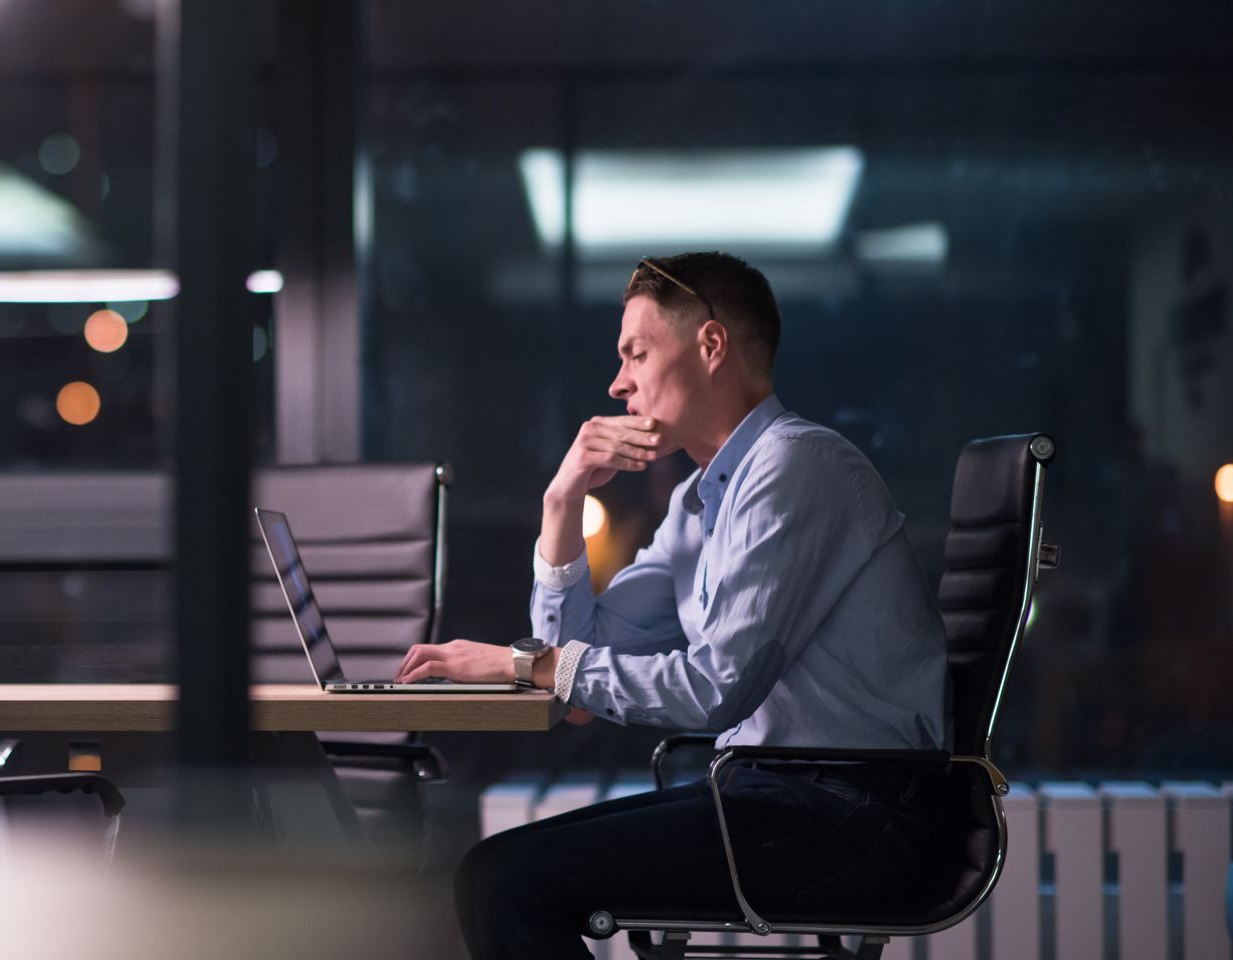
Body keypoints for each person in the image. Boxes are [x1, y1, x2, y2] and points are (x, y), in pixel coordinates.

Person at [393, 252, 951, 958]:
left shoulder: (796, 467)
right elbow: (575, 670)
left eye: (637, 353)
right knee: (487, 874)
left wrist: (528, 664)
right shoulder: (699, 503)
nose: (617, 382)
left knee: (508, 883)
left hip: (859, 813)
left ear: (710, 347)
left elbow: (714, 687)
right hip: (777, 795)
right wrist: (562, 502)